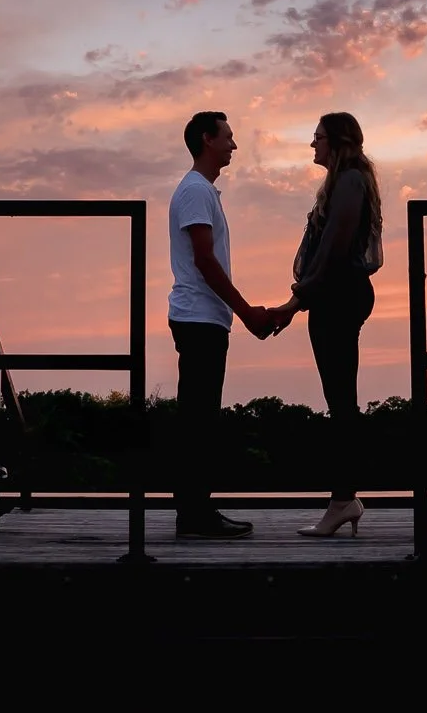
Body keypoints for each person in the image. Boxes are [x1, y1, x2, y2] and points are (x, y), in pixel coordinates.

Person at [267, 112, 382, 538]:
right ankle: (344, 498)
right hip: (335, 295)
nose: (312, 145)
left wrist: (295, 302)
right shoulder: (345, 181)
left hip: (339, 296)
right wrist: (299, 302)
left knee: (342, 405)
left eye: (317, 138)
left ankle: (342, 500)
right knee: (340, 401)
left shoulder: (350, 180)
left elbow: (333, 247)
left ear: (336, 141)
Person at [168, 110, 273, 540]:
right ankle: (194, 515)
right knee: (198, 420)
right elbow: (205, 260)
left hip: (205, 318)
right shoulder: (195, 191)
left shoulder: (202, 191)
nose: (233, 145)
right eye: (227, 137)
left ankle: (195, 511)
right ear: (207, 139)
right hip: (198, 318)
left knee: (200, 418)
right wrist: (247, 312)